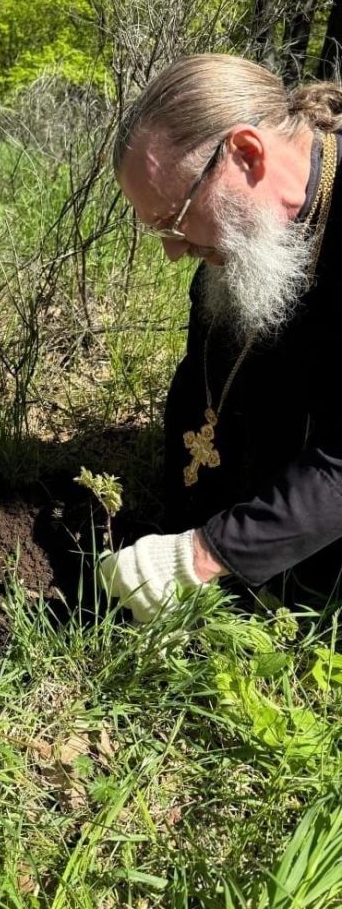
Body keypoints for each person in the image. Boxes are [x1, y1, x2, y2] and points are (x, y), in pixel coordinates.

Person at [100, 53, 342, 621]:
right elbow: (205, 388)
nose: (172, 250)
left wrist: (206, 555)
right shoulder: (246, 235)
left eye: (175, 218)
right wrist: (180, 520)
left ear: (247, 155)